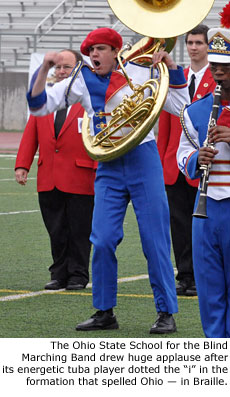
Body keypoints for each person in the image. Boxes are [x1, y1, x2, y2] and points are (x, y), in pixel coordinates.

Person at [26, 27, 190, 334]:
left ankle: (166, 311)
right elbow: (37, 106)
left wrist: (172, 68)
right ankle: (104, 311)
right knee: (101, 240)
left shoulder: (142, 71)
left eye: (101, 49)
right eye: (91, 50)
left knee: (155, 241)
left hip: (143, 160)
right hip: (108, 166)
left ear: (116, 52)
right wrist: (45, 68)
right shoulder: (80, 79)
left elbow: (181, 107)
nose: (94, 54)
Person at [15, 49, 97, 291]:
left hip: (81, 176)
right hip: (48, 176)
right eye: (58, 67)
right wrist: (22, 164)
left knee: (80, 230)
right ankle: (58, 273)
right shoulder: (46, 98)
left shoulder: (88, 99)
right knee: (56, 229)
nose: (61, 72)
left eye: (67, 68)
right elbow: (31, 134)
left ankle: (78, 275)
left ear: (79, 70)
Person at [177, 4, 230, 338]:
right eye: (216, 65)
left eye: (226, 65)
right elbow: (182, 155)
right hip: (206, 209)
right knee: (210, 292)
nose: (219, 72)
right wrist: (198, 158)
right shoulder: (195, 110)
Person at [157, 25, 216, 297]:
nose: (193, 47)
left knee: (204, 224)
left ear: (208, 46)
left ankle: (205, 276)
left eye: (199, 43)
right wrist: (161, 162)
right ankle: (185, 276)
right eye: (190, 42)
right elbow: (166, 125)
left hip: (207, 163)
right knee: (178, 223)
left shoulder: (219, 79)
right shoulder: (173, 77)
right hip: (174, 163)